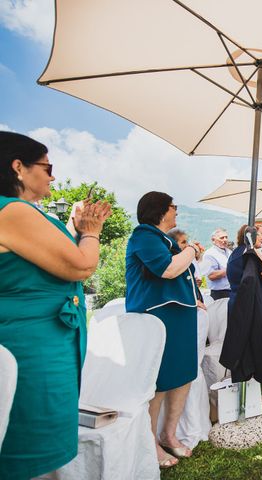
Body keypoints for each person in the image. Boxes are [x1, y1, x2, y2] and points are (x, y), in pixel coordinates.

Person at [0, 132, 111, 479]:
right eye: (48, 166)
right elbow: (79, 265)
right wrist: (91, 231)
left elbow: (41, 257)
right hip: (31, 346)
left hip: (40, 338)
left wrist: (73, 226)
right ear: (18, 167)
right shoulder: (13, 210)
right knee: (29, 444)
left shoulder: (21, 212)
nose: (52, 176)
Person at [125, 191, 201, 468]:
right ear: (160, 210)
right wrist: (191, 250)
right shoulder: (144, 236)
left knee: (183, 374)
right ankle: (150, 442)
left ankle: (169, 434)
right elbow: (167, 270)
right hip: (156, 317)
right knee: (158, 381)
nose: (177, 211)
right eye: (174, 207)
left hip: (179, 314)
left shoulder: (164, 239)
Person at [221, 224, 262, 382]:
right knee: (248, 347)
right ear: (250, 236)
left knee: (252, 345)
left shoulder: (241, 252)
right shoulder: (248, 254)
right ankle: (248, 389)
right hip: (246, 306)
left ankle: (253, 385)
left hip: (250, 303)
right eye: (261, 235)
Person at [203, 228, 232, 300]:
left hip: (232, 291)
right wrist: (231, 268)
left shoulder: (229, 252)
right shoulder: (209, 254)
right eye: (222, 238)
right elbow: (211, 275)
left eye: (226, 237)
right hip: (219, 293)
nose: (225, 240)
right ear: (213, 240)